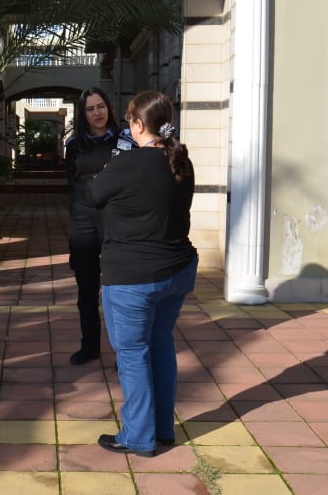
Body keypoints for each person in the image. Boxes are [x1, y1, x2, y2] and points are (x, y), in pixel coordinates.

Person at [90, 91, 198, 457]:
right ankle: (162, 429)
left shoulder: (129, 162)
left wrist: (118, 157)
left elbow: (94, 193)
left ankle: (138, 436)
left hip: (133, 277)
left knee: (133, 354)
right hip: (177, 269)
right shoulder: (181, 161)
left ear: (137, 124)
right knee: (161, 343)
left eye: (129, 120)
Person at [63, 87, 121, 365]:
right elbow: (71, 186)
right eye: (90, 109)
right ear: (82, 114)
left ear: (109, 107)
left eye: (101, 106)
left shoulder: (125, 140)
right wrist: (76, 221)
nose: (97, 113)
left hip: (116, 221)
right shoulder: (75, 144)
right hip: (84, 222)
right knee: (86, 290)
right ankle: (89, 347)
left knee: (119, 290)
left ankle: (125, 351)